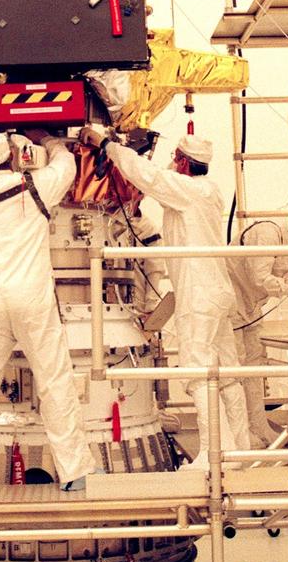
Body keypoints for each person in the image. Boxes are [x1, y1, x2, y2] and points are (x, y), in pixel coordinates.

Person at [0, 132, 95, 490]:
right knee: (55, 382)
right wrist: (52, 141)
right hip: (32, 301)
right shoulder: (35, 188)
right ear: (14, 156)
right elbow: (67, 167)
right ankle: (75, 471)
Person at [92, 130, 251, 469]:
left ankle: (213, 454)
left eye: (173, 158)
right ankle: (241, 449)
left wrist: (107, 146)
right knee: (229, 375)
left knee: (199, 375)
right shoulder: (207, 192)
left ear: (181, 161)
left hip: (199, 296)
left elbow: (149, 177)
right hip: (217, 292)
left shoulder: (188, 190)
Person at [227, 217, 288, 446]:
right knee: (235, 370)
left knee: (253, 369)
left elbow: (279, 274)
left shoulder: (284, 243)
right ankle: (238, 433)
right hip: (232, 306)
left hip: (249, 309)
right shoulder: (267, 233)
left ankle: (258, 427)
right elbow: (260, 279)